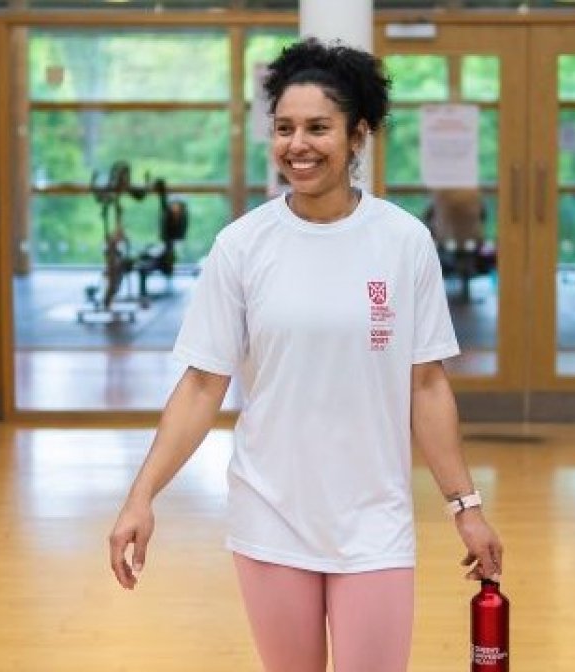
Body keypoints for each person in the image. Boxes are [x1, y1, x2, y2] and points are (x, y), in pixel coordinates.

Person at [107, 38, 504, 672]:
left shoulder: (403, 242)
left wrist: (467, 509)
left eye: (319, 127)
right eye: (284, 128)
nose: (298, 144)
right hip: (271, 514)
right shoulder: (242, 246)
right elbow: (202, 385)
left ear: (358, 136)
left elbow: (425, 386)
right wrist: (140, 498)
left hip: (375, 518)